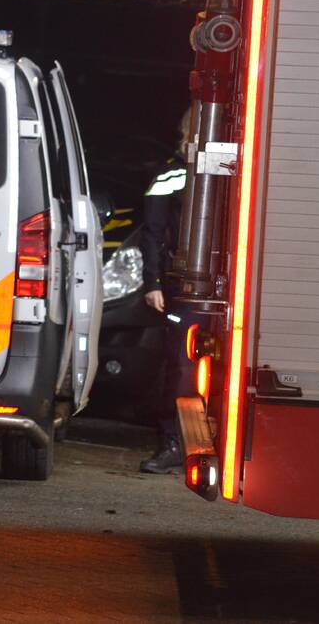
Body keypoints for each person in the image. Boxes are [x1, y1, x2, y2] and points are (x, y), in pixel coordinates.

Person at [138, 111, 197, 474]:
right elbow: (152, 233)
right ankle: (172, 441)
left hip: (224, 290)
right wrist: (153, 283)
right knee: (178, 367)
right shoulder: (169, 172)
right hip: (180, 286)